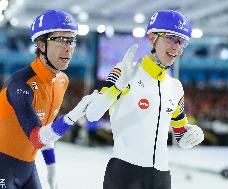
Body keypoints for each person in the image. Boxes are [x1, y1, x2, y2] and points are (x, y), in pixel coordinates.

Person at [85, 10, 204, 189]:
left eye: (182, 42)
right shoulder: (124, 71)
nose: (177, 48)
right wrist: (117, 87)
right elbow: (92, 115)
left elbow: (180, 134)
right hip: (125, 173)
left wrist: (191, 136)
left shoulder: (175, 87)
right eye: (171, 38)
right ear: (151, 37)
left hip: (162, 177)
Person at [0, 10, 95, 189]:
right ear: (41, 45)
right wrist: (75, 113)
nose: (68, 48)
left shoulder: (61, 80)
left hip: (28, 167)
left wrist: (51, 169)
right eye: (60, 40)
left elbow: (47, 130)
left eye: (72, 40)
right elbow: (37, 138)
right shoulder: (20, 84)